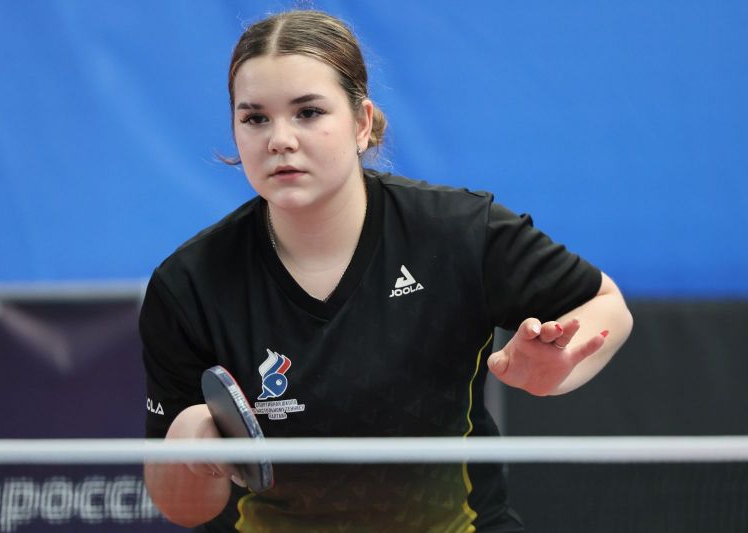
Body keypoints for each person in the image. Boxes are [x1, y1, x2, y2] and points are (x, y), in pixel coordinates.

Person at [139, 9, 633, 532]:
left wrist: (559, 370)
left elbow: (606, 305)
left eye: (308, 112)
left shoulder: (458, 231)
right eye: (255, 118)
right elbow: (184, 510)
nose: (279, 139)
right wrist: (188, 445)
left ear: (361, 123)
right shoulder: (188, 286)